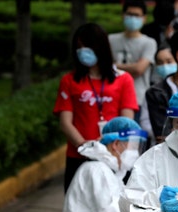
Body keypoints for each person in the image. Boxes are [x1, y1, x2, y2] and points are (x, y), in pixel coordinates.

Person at [53, 23, 138, 193]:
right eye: (79, 47)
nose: (82, 51)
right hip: (79, 156)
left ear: (101, 47)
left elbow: (127, 119)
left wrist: (111, 145)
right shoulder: (69, 81)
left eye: (88, 46)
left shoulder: (123, 79)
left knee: (113, 210)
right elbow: (65, 122)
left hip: (114, 156)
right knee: (78, 210)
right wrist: (84, 146)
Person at [61, 117, 147, 212]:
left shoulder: (109, 172)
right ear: (116, 145)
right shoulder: (97, 170)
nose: (136, 152)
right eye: (133, 146)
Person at [109, 0, 157, 117]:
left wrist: (114, 65)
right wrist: (131, 67)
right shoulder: (110, 40)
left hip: (138, 99)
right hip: (112, 98)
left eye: (136, 15)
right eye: (129, 14)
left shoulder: (149, 42)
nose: (132, 18)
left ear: (144, 18)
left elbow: (139, 69)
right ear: (123, 15)